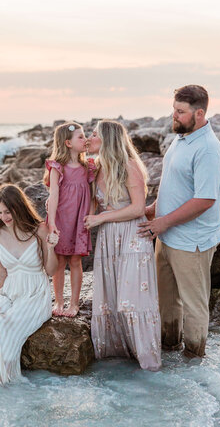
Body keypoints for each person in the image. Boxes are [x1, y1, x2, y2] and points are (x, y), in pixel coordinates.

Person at [138, 85, 220, 358]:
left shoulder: (209, 150)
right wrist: (155, 208)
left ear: (199, 113)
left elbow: (204, 200)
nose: (173, 116)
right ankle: (169, 354)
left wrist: (164, 223)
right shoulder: (182, 138)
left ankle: (194, 362)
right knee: (166, 302)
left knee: (194, 305)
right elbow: (174, 182)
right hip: (168, 236)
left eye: (180, 112)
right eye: (173, 110)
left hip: (193, 241)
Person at [0, 183, 58, 385]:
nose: (4, 217)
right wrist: (2, 301)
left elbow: (51, 271)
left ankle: (9, 383)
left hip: (35, 293)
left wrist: (50, 248)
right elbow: (2, 274)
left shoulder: (38, 230)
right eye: (0, 212)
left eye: (8, 211)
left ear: (19, 207)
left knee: (2, 328)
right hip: (10, 292)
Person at [84, 120, 161, 371]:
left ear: (107, 139)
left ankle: (150, 367)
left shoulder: (128, 166)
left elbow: (138, 208)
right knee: (112, 301)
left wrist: (101, 218)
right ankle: (117, 366)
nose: (89, 138)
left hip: (131, 237)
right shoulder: (97, 168)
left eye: (94, 134)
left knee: (133, 302)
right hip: (108, 240)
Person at [44, 121, 95, 317]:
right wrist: (51, 223)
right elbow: (54, 194)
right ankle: (58, 301)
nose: (86, 139)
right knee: (59, 261)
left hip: (79, 220)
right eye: (81, 137)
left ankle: (74, 303)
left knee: (75, 261)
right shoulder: (58, 167)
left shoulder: (88, 166)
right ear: (68, 143)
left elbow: (92, 195)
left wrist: (90, 215)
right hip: (61, 219)